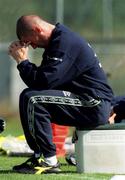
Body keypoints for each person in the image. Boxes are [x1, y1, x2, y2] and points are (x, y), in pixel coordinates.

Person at [8, 14, 113, 174]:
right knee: (30, 96)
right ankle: (40, 156)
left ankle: (48, 160)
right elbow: (41, 81)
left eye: (29, 41)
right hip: (84, 100)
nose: (32, 47)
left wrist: (23, 63)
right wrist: (24, 64)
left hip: (94, 103)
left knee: (32, 98)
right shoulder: (57, 42)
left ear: (37, 30)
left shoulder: (65, 42)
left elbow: (44, 82)